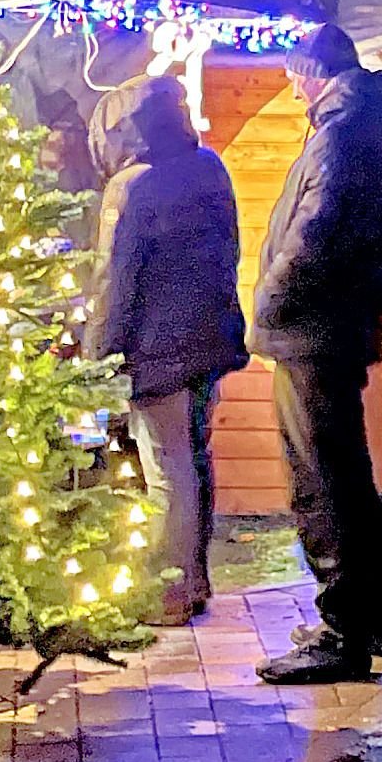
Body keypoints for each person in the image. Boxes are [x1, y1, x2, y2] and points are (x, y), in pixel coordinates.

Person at [250, 23, 382, 684]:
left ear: (315, 72)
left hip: (313, 328)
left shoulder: (345, 134)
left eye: (295, 76)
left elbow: (314, 235)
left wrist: (269, 300)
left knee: (323, 480)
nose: (291, 90)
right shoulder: (368, 125)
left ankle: (344, 632)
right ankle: (360, 622)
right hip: (332, 326)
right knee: (342, 475)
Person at [83, 76, 248, 629]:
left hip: (157, 351)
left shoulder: (132, 186)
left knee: (167, 469)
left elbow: (115, 282)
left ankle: (168, 594)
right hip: (210, 342)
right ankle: (195, 580)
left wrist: (95, 358)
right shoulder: (211, 168)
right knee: (195, 459)